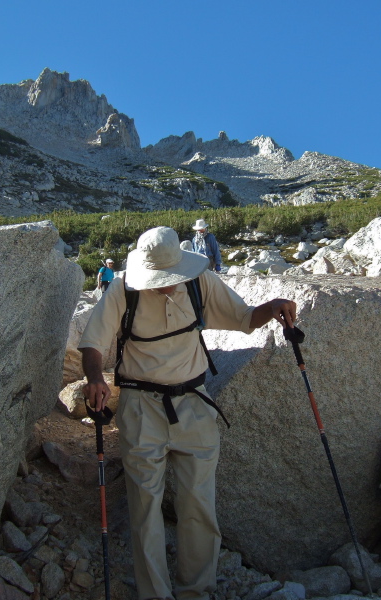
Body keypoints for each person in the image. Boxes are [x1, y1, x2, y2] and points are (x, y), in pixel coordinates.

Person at [78, 226, 296, 600]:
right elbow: (92, 343)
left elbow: (243, 318)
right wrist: (96, 378)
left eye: (168, 278)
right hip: (140, 406)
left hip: (194, 402)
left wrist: (271, 307)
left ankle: (198, 591)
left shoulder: (201, 282)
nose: (163, 285)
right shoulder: (122, 289)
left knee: (199, 504)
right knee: (145, 509)